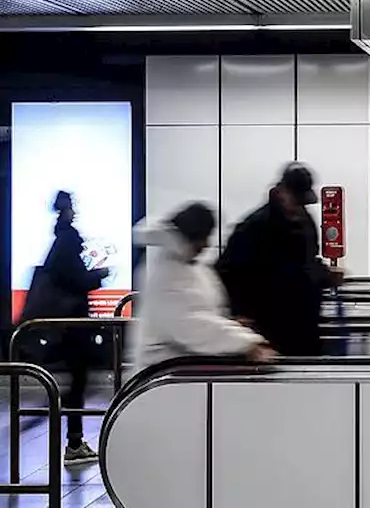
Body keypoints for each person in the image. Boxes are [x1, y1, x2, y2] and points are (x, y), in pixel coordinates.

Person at [132, 203, 276, 373]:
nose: (207, 244)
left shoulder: (187, 263)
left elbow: (200, 315)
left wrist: (230, 325)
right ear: (193, 236)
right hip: (166, 373)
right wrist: (245, 342)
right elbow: (190, 325)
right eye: (205, 237)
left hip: (181, 370)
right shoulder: (167, 270)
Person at [20, 191, 107, 465]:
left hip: (66, 324)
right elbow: (77, 279)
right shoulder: (68, 240)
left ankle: (74, 438)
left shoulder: (60, 239)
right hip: (72, 324)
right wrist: (99, 276)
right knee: (78, 381)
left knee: (77, 381)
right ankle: (74, 441)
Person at [216, 164, 334, 357]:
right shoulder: (255, 226)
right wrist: (238, 313)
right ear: (281, 192)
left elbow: (308, 263)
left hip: (305, 322)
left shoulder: (305, 221)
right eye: (296, 200)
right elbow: (229, 271)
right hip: (270, 325)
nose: (299, 207)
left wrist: (326, 275)